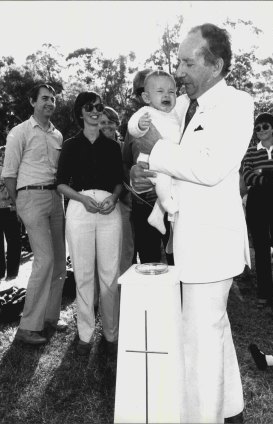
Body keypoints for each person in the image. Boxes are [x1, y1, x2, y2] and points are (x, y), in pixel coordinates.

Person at [130, 23, 254, 423]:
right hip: (184, 236)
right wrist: (141, 171)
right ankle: (231, 408)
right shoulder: (183, 105)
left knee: (200, 339)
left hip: (211, 243)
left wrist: (157, 151)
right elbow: (159, 150)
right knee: (211, 329)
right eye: (178, 61)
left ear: (215, 65)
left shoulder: (237, 104)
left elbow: (210, 167)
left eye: (187, 62)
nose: (178, 71)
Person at [57, 92, 123, 356]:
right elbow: (60, 183)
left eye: (98, 107)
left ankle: (111, 333)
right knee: (83, 275)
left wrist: (115, 197)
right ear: (80, 112)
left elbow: (119, 180)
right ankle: (85, 334)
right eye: (89, 107)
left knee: (109, 275)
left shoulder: (112, 147)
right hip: (79, 210)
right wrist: (81, 198)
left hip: (109, 212)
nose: (95, 111)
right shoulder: (71, 145)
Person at [2, 83, 66, 345]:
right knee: (45, 259)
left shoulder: (58, 135)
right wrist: (19, 206)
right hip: (29, 196)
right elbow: (8, 174)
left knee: (60, 260)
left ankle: (50, 316)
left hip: (55, 197)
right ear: (32, 102)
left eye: (53, 99)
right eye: (44, 99)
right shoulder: (19, 132)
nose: (50, 103)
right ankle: (28, 326)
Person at [123, 69, 174, 264]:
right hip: (143, 202)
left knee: (176, 258)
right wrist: (134, 178)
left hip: (173, 201)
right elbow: (126, 162)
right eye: (138, 92)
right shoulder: (133, 126)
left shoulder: (176, 118)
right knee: (148, 259)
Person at [127, 70, 181, 235]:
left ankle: (158, 214)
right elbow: (132, 127)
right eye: (160, 91)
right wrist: (140, 126)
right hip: (152, 162)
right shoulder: (146, 112)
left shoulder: (176, 113)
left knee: (170, 185)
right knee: (164, 181)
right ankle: (166, 204)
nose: (167, 95)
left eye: (171, 92)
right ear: (147, 98)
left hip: (174, 165)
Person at [242, 112, 273, 308]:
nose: (260, 131)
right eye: (257, 128)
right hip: (257, 201)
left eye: (265, 127)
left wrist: (264, 173)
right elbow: (248, 176)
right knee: (260, 247)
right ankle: (265, 294)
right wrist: (272, 174)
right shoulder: (250, 152)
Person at [100, 106, 135, 274]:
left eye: (111, 122)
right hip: (101, 206)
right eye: (102, 122)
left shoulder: (124, 147)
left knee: (125, 252)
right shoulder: (93, 147)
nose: (107, 126)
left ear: (117, 124)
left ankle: (124, 295)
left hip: (124, 205)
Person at [0, 146, 21, 281]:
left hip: (11, 208)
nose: (3, 157)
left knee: (14, 241)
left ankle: (12, 273)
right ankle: (2, 273)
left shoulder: (16, 170)